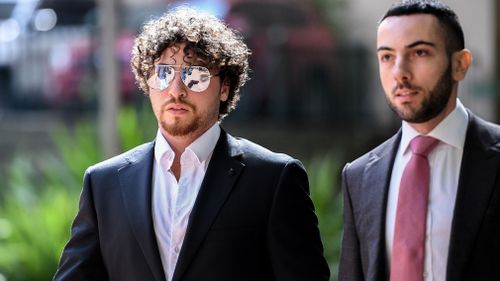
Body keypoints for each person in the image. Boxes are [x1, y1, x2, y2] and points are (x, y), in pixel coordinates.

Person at [53, 7, 330, 281]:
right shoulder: (104, 183)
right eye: (163, 73)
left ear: (224, 87)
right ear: (147, 82)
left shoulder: (274, 179)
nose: (176, 90)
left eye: (195, 75)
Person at [338, 1, 500, 281]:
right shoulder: (359, 175)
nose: (400, 72)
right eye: (387, 56)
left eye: (419, 52)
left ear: (460, 64)